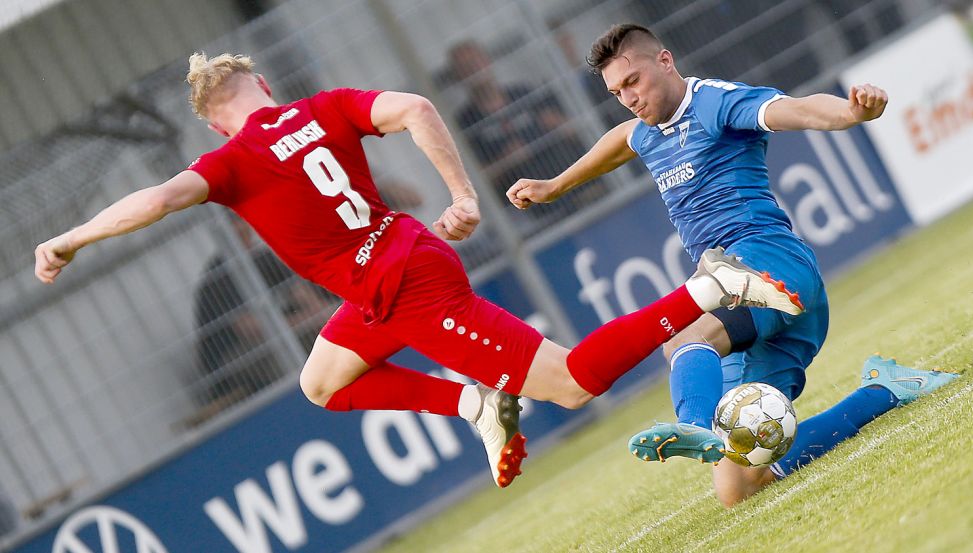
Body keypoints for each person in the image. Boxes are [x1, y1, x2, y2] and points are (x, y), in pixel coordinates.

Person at [34, 52, 803, 489]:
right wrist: (459, 194)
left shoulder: (228, 159)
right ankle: (472, 404)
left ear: (212, 119)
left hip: (404, 289)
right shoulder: (327, 105)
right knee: (320, 382)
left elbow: (159, 198)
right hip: (398, 262)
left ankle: (707, 289)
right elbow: (413, 109)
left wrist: (74, 236)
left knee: (572, 380)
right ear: (263, 85)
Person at [506, 23, 959, 505]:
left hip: (767, 266)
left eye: (633, 80)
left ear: (665, 60)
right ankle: (887, 390)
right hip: (753, 305)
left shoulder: (716, 102)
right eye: (617, 91)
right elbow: (622, 141)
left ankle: (693, 428)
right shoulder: (646, 130)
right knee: (737, 487)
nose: (629, 97)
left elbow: (797, 109)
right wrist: (554, 186)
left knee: (681, 335)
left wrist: (849, 112)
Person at [192, 215, 335, 419]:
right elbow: (251, 329)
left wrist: (322, 315)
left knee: (333, 324)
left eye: (244, 225)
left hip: (272, 341)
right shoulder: (218, 275)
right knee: (289, 350)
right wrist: (308, 319)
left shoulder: (261, 258)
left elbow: (304, 295)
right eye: (236, 227)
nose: (244, 232)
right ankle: (309, 410)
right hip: (234, 360)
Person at [448, 40, 604, 224]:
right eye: (466, 67)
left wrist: (557, 125)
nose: (474, 70)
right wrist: (506, 160)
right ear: (459, 77)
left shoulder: (523, 93)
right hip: (529, 209)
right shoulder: (465, 122)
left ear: (487, 61)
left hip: (571, 183)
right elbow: (473, 178)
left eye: (476, 62)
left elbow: (575, 129)